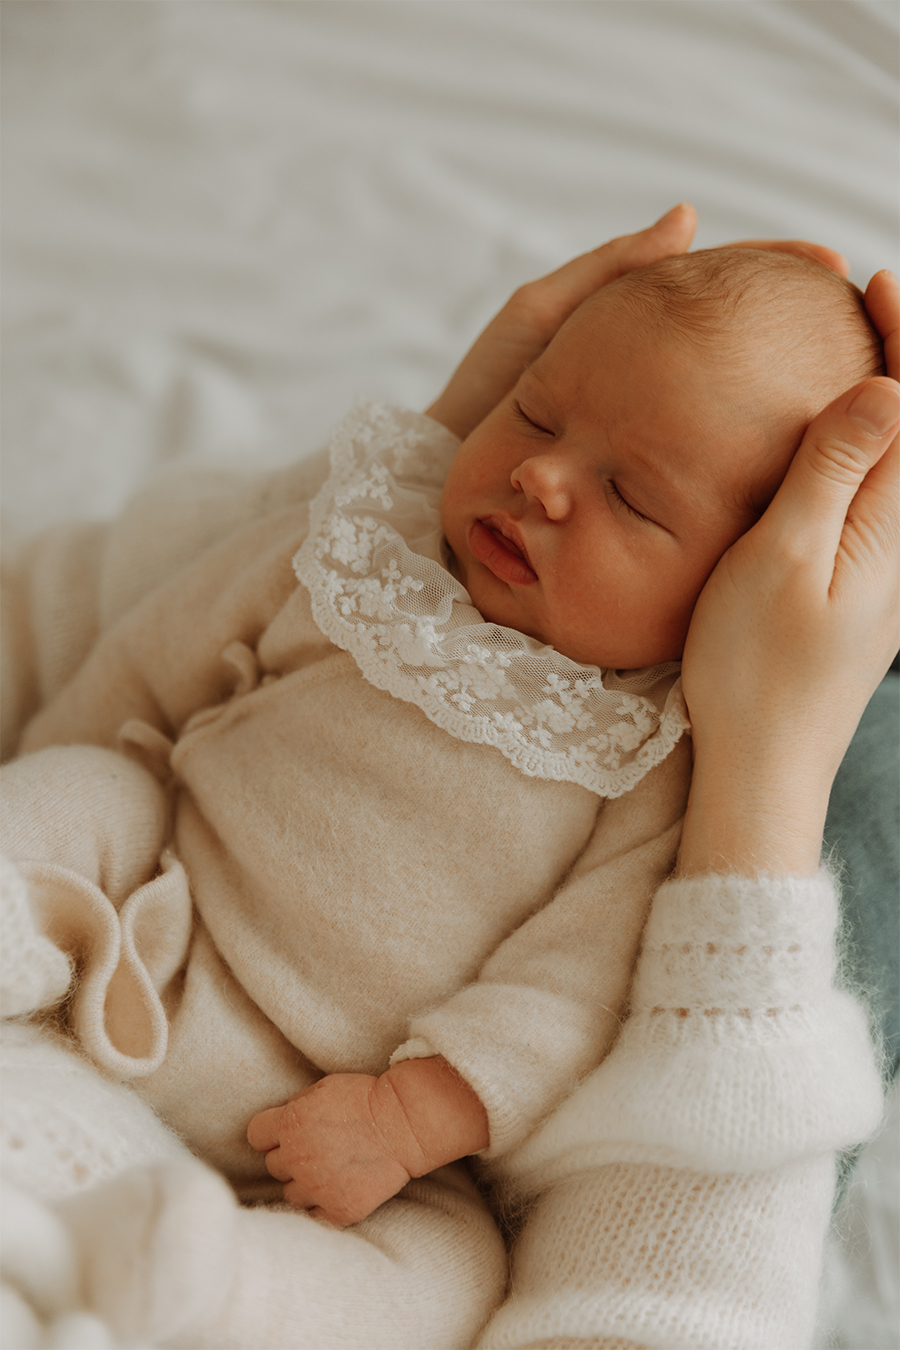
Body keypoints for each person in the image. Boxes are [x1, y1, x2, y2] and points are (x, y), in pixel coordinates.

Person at [0, 204, 896, 1350]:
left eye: (634, 497)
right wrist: (73, 746)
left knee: (449, 1271)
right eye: (535, 412)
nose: (541, 478)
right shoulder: (367, 552)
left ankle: (207, 1284)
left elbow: (576, 988)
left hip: (345, 1108)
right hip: (149, 903)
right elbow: (152, 650)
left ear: (737, 590)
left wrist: (418, 1117)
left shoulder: (654, 764)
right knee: (84, 788)